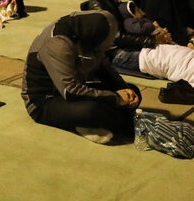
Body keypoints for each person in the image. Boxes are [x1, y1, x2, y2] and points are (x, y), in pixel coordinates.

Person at [21, 10, 140, 144]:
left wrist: (125, 91)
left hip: (74, 89)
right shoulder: (58, 44)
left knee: (133, 91)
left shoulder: (93, 28)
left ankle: (103, 121)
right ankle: (91, 124)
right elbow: (70, 91)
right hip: (45, 101)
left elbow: (104, 67)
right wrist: (116, 98)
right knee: (93, 110)